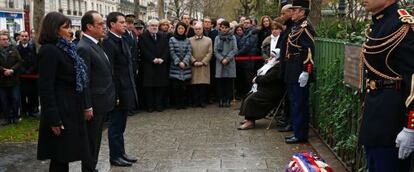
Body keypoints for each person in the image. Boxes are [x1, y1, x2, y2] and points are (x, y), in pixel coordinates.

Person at [358, 0, 414, 171]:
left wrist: (410, 127)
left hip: (393, 119)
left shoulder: (402, 26)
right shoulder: (378, 24)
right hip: (375, 113)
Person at [36, 12, 90, 171]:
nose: (70, 30)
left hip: (70, 109)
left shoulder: (67, 48)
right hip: (60, 111)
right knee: (60, 156)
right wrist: (54, 119)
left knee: (64, 155)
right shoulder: (49, 51)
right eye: (66, 27)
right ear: (55, 29)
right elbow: (46, 88)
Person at [77, 10, 116, 171]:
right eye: (100, 24)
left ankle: (91, 167)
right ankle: (89, 168)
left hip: (102, 101)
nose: (104, 27)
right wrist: (87, 106)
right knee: (91, 141)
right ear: (89, 27)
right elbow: (84, 80)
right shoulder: (84, 47)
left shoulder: (96, 44)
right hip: (93, 104)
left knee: (96, 140)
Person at [102, 12, 138, 167]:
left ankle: (121, 153)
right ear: (112, 24)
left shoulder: (122, 39)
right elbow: (110, 71)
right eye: (122, 22)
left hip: (126, 88)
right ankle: (115, 156)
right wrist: (115, 94)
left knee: (121, 125)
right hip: (118, 90)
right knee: (115, 126)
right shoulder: (108, 42)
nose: (125, 24)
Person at [283, 0, 315, 144]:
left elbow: (309, 50)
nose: (292, 12)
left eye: (294, 10)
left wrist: (306, 71)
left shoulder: (305, 27)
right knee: (294, 101)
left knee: (299, 103)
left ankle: (301, 134)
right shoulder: (296, 26)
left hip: (299, 69)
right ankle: (297, 131)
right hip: (292, 68)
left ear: (302, 12)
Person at [237, 56, 284, 130]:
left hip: (272, 91)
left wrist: (257, 79)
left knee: (252, 99)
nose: (270, 58)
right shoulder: (271, 65)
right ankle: (249, 118)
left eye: (273, 56)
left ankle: (250, 122)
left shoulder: (277, 67)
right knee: (249, 95)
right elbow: (261, 73)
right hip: (266, 88)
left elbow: (268, 78)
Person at [138, 19, 170, 112]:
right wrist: (152, 59)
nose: (154, 27)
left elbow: (167, 49)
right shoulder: (143, 36)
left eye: (156, 25)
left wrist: (162, 58)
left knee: (160, 87)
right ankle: (150, 106)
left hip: (161, 65)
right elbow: (143, 50)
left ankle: (158, 105)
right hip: (149, 66)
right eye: (152, 25)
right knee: (149, 87)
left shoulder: (163, 36)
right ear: (148, 27)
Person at [169, 22, 192, 109]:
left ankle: (183, 103)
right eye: (179, 28)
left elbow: (189, 52)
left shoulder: (188, 40)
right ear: (176, 29)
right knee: (176, 87)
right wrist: (178, 62)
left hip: (185, 67)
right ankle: (177, 104)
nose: (181, 30)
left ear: (185, 30)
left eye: (182, 28)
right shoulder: (172, 39)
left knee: (184, 87)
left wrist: (185, 62)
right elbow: (172, 52)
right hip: (175, 66)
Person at [214, 21, 238, 107]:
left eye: (226, 27)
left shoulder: (233, 37)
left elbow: (235, 50)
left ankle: (228, 99)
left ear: (229, 28)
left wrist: (227, 59)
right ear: (220, 28)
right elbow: (215, 50)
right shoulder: (217, 38)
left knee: (228, 82)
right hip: (220, 62)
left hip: (229, 62)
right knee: (220, 82)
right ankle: (220, 99)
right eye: (222, 27)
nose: (224, 29)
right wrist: (221, 59)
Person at [0, 32, 22, 124]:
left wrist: (12, 70)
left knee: (15, 99)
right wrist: (3, 70)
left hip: (13, 80)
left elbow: (20, 61)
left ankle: (15, 117)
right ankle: (6, 118)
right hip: (2, 80)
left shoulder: (14, 49)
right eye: (3, 39)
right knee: (4, 100)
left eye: (7, 39)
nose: (6, 41)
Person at [190, 22, 212, 108]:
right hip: (194, 65)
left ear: (202, 29)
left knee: (203, 84)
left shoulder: (208, 40)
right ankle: (195, 101)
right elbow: (188, 52)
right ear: (194, 30)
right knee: (194, 84)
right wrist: (194, 61)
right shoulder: (189, 40)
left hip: (204, 65)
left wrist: (203, 62)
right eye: (196, 29)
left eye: (199, 29)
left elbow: (210, 52)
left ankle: (202, 101)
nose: (198, 30)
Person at [235, 18, 259, 99]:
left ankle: (251, 96)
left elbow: (247, 46)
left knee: (249, 78)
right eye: (244, 23)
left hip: (249, 59)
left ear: (251, 24)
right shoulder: (245, 32)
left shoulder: (253, 33)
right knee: (244, 79)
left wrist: (237, 54)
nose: (245, 24)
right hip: (244, 60)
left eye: (248, 23)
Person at [17, 31, 38, 118]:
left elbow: (35, 60)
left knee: (32, 94)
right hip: (21, 75)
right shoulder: (17, 48)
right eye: (22, 36)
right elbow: (17, 61)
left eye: (26, 36)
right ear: (20, 37)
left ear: (28, 37)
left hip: (32, 75)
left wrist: (30, 70)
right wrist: (23, 71)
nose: (24, 38)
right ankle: (24, 111)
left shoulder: (33, 47)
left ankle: (31, 111)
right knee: (22, 94)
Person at [203, 17, 219, 104]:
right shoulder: (201, 32)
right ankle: (204, 96)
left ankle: (212, 96)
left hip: (213, 58)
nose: (207, 23)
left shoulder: (215, 33)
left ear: (211, 24)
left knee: (213, 78)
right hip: (202, 58)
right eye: (205, 22)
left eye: (208, 22)